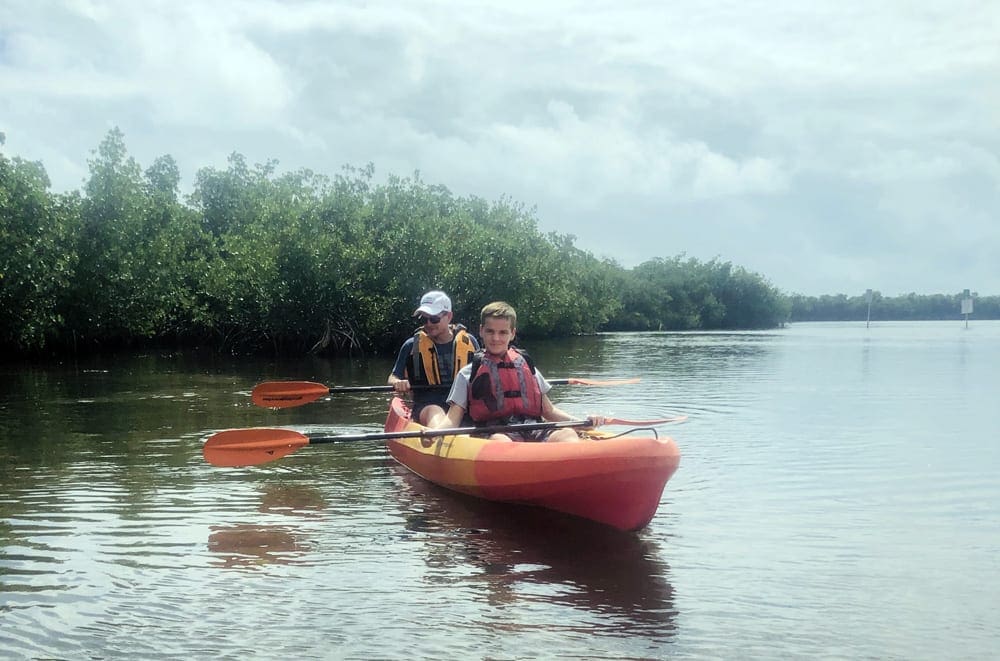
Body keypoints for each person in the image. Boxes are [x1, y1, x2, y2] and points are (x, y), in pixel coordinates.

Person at [437, 301, 604, 442]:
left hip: (532, 428)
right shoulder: (468, 374)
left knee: (567, 434)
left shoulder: (527, 366)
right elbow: (452, 419)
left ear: (512, 333)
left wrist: (581, 422)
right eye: (490, 331)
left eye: (503, 332)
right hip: (493, 432)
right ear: (481, 331)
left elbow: (549, 411)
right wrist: (432, 434)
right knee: (500, 441)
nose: (496, 338)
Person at [388, 290, 480, 426]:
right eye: (424, 319)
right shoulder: (411, 345)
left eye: (434, 319)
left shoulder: (470, 342)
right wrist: (398, 382)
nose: (429, 323)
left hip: (463, 406)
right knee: (435, 411)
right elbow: (392, 377)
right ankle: (440, 436)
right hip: (427, 405)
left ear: (449, 316)